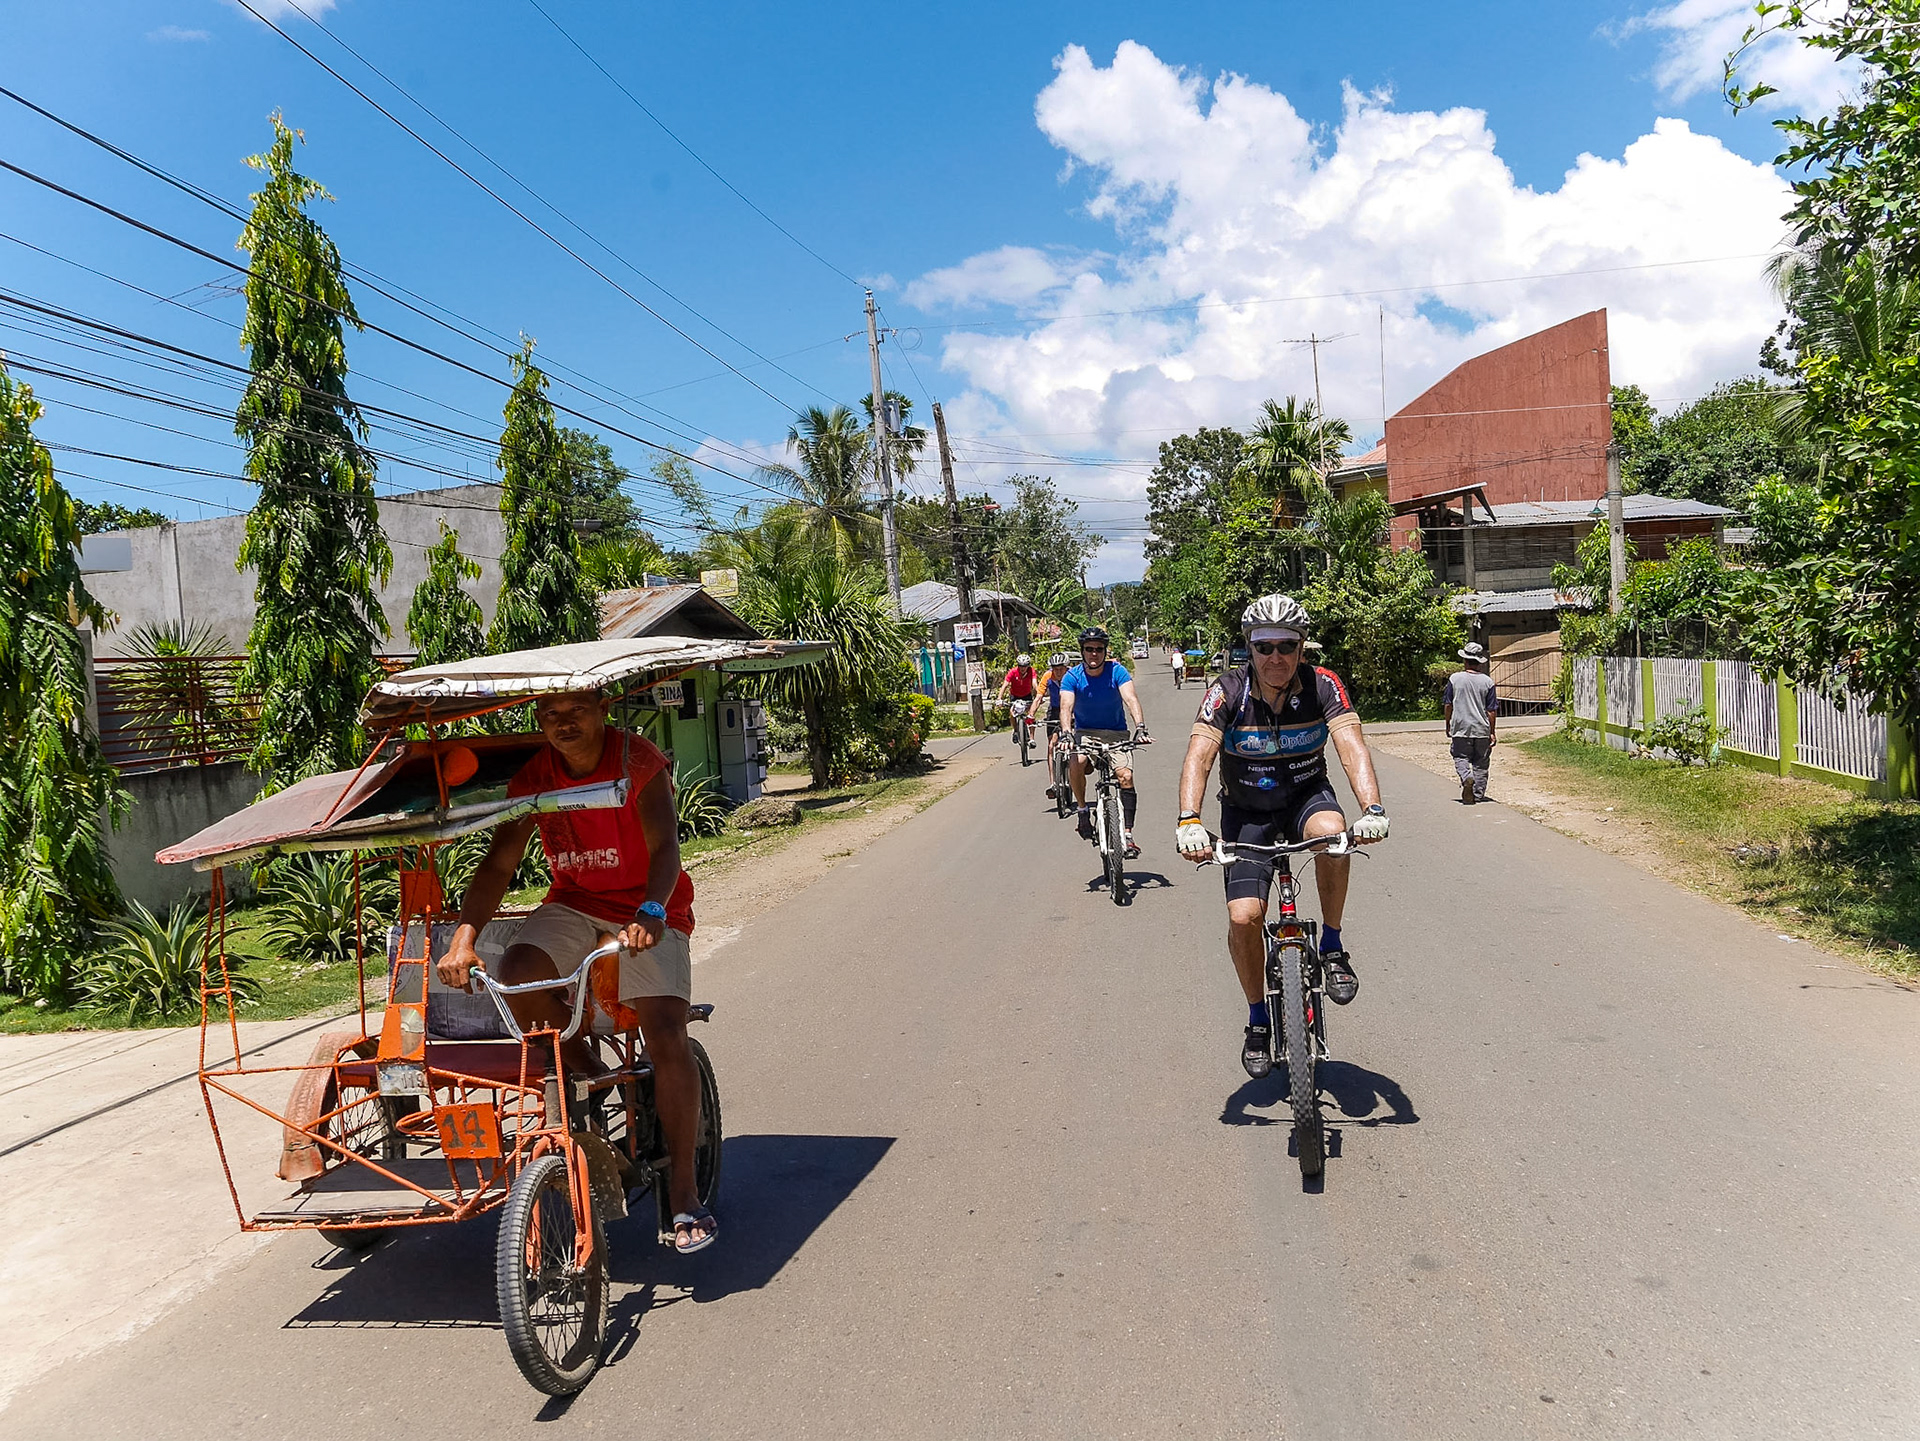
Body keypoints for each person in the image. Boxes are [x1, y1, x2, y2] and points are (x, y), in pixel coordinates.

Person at [437, 689, 717, 1255]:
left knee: (663, 1029)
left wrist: (653, 911)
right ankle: (586, 1066)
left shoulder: (637, 763)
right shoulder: (533, 778)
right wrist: (464, 938)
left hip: (647, 905)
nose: (562, 723)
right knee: (516, 975)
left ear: (603, 711)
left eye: (575, 711)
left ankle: (684, 1193)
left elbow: (666, 849)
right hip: (573, 900)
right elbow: (499, 863)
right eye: (550, 714)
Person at [1173, 594, 1391, 1079]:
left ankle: (1333, 946)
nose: (1276, 657)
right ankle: (1256, 1019)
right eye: (1265, 646)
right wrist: (1189, 818)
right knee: (1246, 916)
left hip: (1305, 800)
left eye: (1286, 646)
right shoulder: (1226, 691)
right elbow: (1199, 755)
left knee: (1333, 835)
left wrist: (1371, 808)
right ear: (1249, 648)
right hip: (1246, 813)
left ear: (1301, 648)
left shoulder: (1323, 684)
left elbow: (1351, 745)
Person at [1057, 626, 1151, 855]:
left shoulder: (1117, 671)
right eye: (1089, 649)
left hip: (1116, 733)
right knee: (1076, 761)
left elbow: (1130, 698)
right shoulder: (1072, 676)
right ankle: (1081, 811)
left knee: (1125, 776)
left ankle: (1127, 834)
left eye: (1099, 649)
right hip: (1085, 733)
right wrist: (1067, 732)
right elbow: (1066, 706)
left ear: (1105, 651)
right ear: (1082, 651)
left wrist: (1140, 726)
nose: (1094, 654)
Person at [1443, 641, 1499, 804]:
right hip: (1481, 728)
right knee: (1481, 762)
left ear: (1465, 660)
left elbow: (1448, 704)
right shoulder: (1487, 682)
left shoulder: (1454, 679)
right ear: (1480, 662)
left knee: (1460, 757)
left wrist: (1448, 724)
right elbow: (1491, 710)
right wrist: (1492, 731)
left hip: (1460, 728)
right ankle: (1477, 795)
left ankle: (1467, 777)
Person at [1033, 652, 1073, 798]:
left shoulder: (1073, 676)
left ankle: (1073, 776)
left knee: (1075, 745)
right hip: (1055, 710)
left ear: (1066, 668)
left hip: (1072, 709)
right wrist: (1031, 716)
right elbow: (1038, 698)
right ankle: (1053, 783)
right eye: (1055, 668)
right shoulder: (1047, 677)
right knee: (1051, 745)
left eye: (1060, 669)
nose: (1057, 672)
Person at [996, 653, 1039, 746]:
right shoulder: (1012, 672)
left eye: (1025, 666)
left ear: (1028, 666)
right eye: (1020, 666)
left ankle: (1031, 738)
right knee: (1012, 713)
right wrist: (999, 698)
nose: (1022, 668)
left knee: (1031, 715)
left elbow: (1034, 684)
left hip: (1027, 695)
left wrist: (1039, 695)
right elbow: (1005, 685)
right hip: (1014, 695)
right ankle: (1015, 730)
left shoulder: (1032, 671)